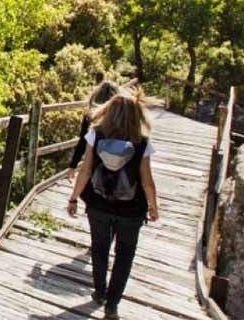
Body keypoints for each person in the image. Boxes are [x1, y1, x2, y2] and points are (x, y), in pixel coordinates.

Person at [67, 89, 160, 320]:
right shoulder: (142, 143)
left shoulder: (95, 135)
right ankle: (112, 305)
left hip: (98, 205)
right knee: (124, 255)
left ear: (109, 111)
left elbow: (85, 170)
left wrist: (73, 198)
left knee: (99, 249)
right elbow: (147, 180)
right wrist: (153, 206)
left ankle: (100, 292)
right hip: (131, 209)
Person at [67, 79, 121, 180]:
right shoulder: (122, 116)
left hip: (95, 166)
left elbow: (83, 141)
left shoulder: (90, 116)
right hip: (119, 165)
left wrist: (73, 165)